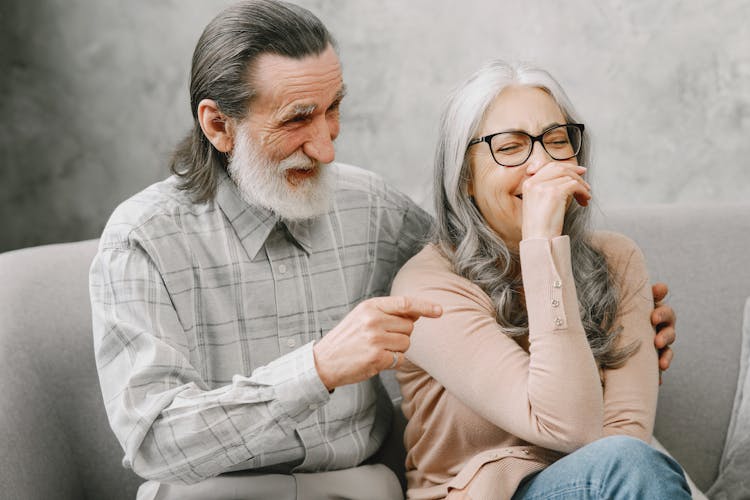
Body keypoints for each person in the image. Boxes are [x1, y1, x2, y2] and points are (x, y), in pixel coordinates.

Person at [89, 2, 677, 498]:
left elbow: (481, 263)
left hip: (359, 487)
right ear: (218, 127)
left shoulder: (368, 206)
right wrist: (318, 368)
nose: (324, 146)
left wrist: (614, 319)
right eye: (298, 119)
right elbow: (153, 440)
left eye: (334, 109)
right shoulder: (142, 239)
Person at [391, 60, 691, 499]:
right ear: (465, 176)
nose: (541, 163)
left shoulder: (617, 259)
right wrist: (543, 244)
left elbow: (627, 431)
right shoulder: (428, 286)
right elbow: (573, 430)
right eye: (510, 147)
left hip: (608, 483)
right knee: (626, 464)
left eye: (556, 140)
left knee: (629, 460)